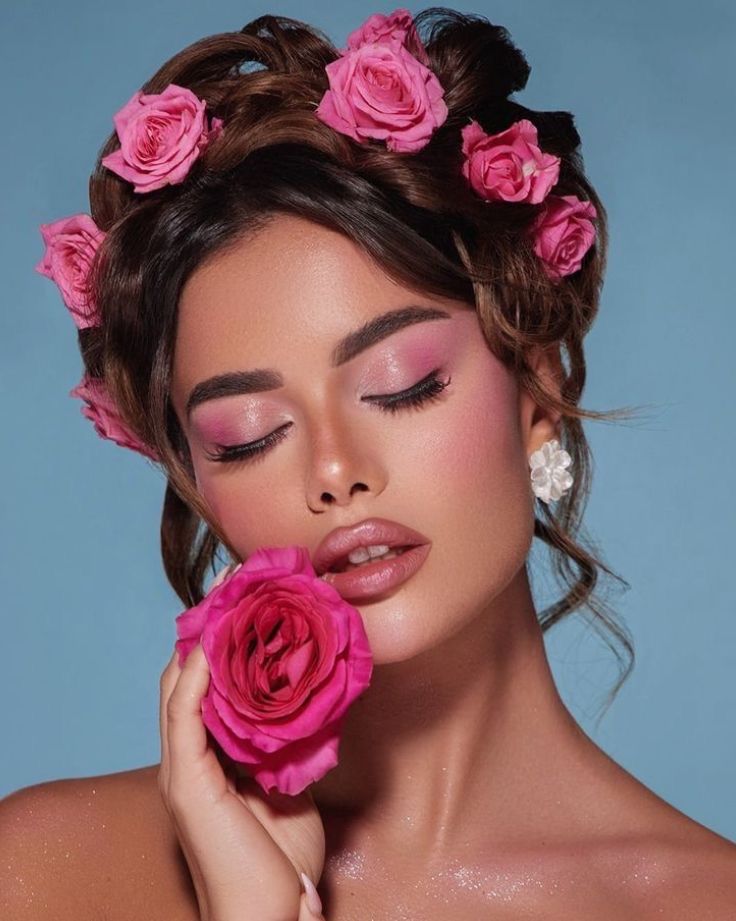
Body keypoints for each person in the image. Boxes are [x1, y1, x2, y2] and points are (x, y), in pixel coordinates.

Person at [2, 7, 735, 920]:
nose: (335, 471)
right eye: (249, 434)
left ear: (537, 390)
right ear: (197, 481)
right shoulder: (41, 875)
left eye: (403, 386)